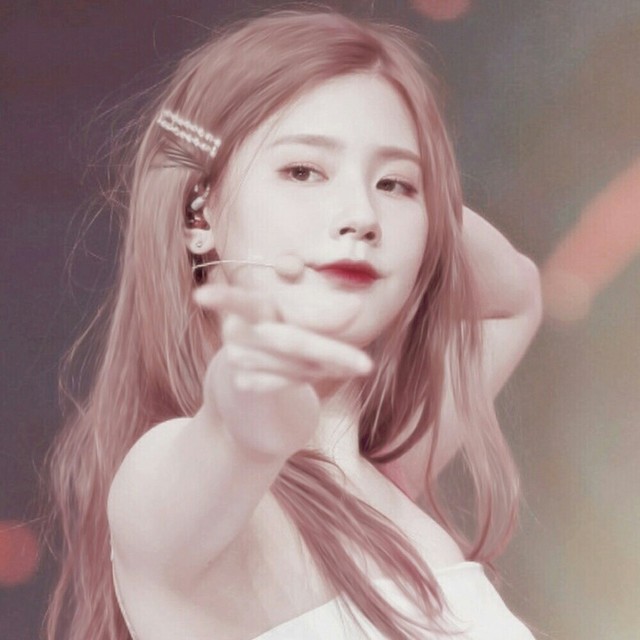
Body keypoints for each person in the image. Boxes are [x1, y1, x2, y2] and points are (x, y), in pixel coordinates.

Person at [45, 9, 542, 640]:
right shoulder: (168, 481)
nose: (362, 215)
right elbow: (223, 446)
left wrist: (408, 189)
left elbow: (514, 294)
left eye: (394, 185)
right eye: (302, 171)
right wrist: (246, 418)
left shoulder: (384, 478)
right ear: (199, 214)